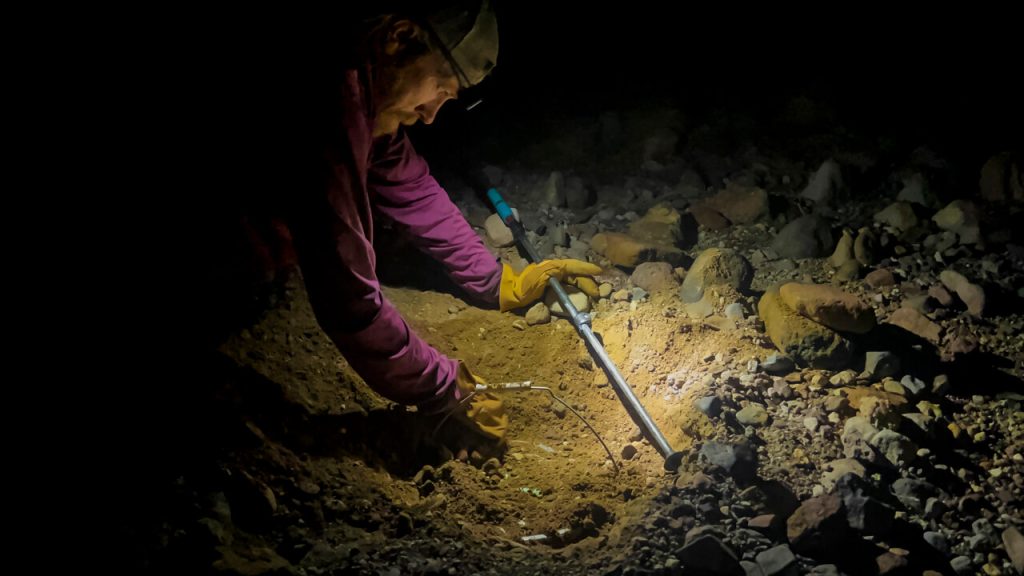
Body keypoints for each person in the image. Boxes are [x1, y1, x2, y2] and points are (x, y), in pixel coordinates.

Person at [244, 0, 602, 448]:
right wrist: (439, 385)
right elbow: (347, 294)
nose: (432, 115)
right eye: (439, 87)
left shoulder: (371, 97)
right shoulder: (329, 105)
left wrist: (496, 282)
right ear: (400, 38)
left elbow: (409, 185)